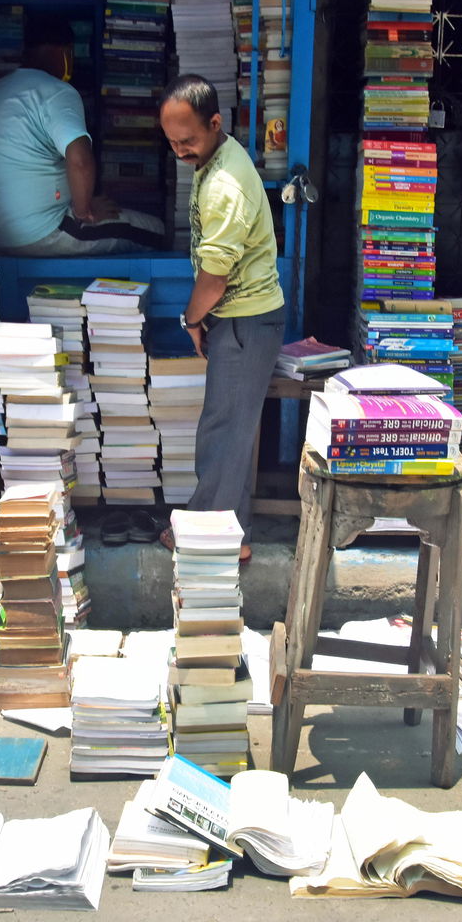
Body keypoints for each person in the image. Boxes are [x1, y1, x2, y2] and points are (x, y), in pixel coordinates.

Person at [158, 74, 287, 562]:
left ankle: (221, 538)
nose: (179, 152)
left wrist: (192, 320)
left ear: (215, 123)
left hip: (245, 319)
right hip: (241, 318)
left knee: (226, 430)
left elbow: (214, 277)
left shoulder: (225, 186)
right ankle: (217, 526)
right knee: (225, 427)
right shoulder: (219, 156)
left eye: (188, 140)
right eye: (171, 142)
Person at [0, 13, 164, 256]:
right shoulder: (57, 91)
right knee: (156, 231)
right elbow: (80, 159)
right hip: (40, 232)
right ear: (65, 52)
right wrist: (83, 211)